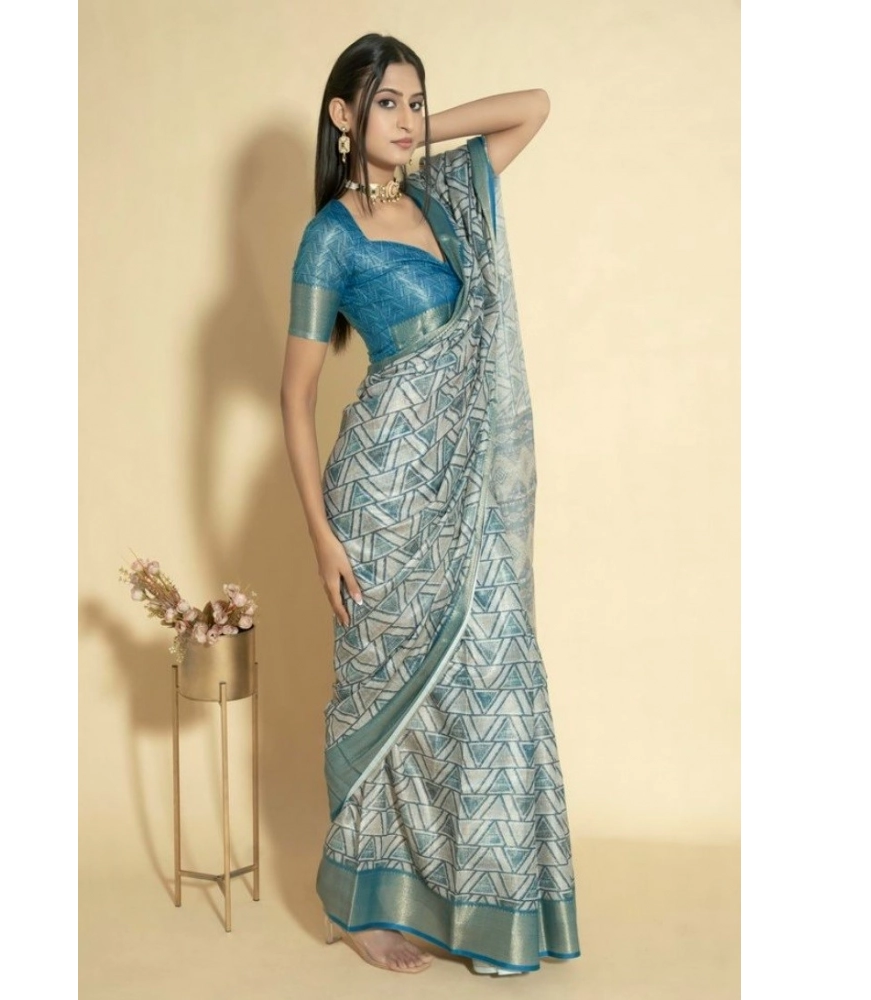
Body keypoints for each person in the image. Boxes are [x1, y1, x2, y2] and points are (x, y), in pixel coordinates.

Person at [279, 33, 580, 976]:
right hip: (381, 499)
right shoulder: (332, 236)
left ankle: (489, 909)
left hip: (467, 491)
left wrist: (414, 138)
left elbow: (532, 105)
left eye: (416, 101)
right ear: (342, 115)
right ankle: (360, 903)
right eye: (387, 102)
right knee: (386, 706)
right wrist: (322, 537)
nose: (408, 118)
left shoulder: (448, 194)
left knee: (492, 685)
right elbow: (293, 396)